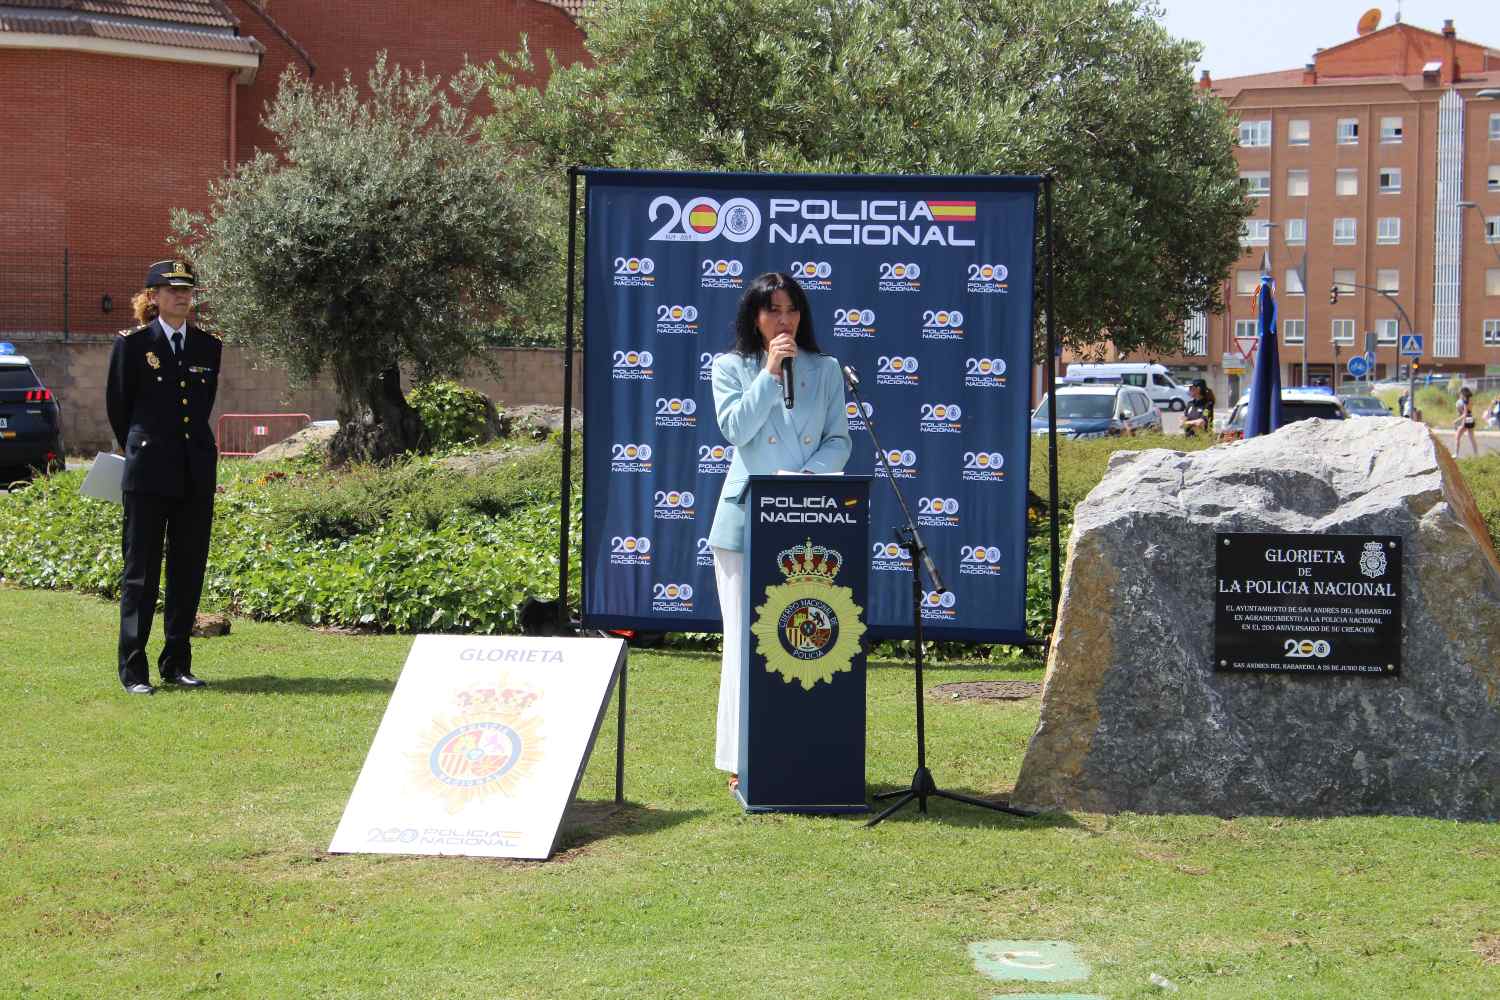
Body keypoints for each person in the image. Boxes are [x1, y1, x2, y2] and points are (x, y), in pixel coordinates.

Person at [707, 272, 851, 787]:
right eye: (772, 310)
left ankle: (799, 747)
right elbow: (736, 429)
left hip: (808, 516)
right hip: (745, 522)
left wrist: (805, 480)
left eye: (791, 309)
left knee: (800, 634)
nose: (783, 319)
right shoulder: (730, 367)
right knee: (745, 642)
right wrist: (768, 373)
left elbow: (839, 440)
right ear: (754, 317)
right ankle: (742, 759)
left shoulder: (828, 368)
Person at [105, 260, 223, 695]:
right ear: (153, 296)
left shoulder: (208, 346)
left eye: (187, 290)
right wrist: (141, 450)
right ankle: (133, 669)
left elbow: (202, 406)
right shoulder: (133, 345)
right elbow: (120, 409)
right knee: (141, 572)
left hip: (194, 471)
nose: (182, 296)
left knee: (187, 568)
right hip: (149, 471)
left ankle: (176, 662)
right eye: (172, 290)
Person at [1453, 386, 1477, 457]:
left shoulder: (1465, 401)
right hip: (1471, 418)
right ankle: (1476, 454)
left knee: (1457, 437)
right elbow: (1469, 412)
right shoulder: (1470, 400)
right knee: (1472, 438)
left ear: (1463, 393)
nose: (1460, 394)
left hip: (1466, 419)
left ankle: (1456, 454)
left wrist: (1456, 421)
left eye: (1461, 393)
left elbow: (1465, 414)